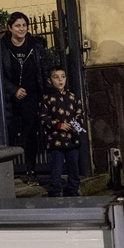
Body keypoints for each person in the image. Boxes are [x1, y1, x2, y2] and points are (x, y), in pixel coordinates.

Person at [0, 11, 49, 181]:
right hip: (9, 98)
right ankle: (8, 172)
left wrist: (45, 91)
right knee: (10, 134)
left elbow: (43, 70)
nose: (21, 29)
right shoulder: (2, 47)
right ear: (10, 28)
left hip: (31, 97)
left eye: (24, 25)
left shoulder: (35, 46)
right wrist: (14, 90)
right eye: (17, 26)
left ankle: (30, 170)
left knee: (30, 134)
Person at [40, 67, 85, 197]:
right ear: (50, 80)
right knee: (57, 169)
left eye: (63, 76)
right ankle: (54, 192)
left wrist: (75, 126)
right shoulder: (47, 99)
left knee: (74, 169)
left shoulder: (72, 97)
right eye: (56, 77)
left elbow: (79, 114)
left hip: (72, 140)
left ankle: (73, 191)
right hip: (56, 142)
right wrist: (58, 125)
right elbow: (43, 117)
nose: (60, 80)